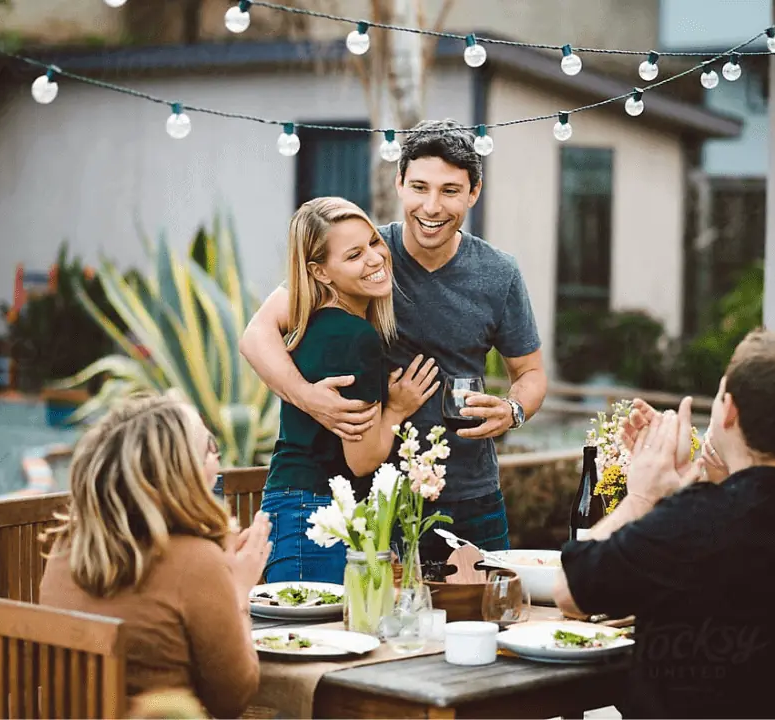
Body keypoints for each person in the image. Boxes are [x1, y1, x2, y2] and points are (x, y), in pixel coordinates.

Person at [241, 120, 547, 562]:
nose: (432, 205)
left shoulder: (499, 273)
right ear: (399, 183)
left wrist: (513, 409)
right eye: (419, 187)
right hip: (377, 502)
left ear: (473, 194)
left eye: (450, 190)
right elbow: (257, 335)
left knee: (487, 618)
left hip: (471, 495)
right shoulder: (365, 255)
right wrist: (311, 399)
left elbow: (531, 372)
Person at [554, 330, 775, 718]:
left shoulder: (693, 520)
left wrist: (641, 496)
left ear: (729, 410)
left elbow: (570, 591)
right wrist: (686, 489)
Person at [39, 393, 268, 719]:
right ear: (181, 474)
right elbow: (233, 699)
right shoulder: (196, 563)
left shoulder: (67, 547)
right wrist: (238, 591)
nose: (216, 459)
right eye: (209, 448)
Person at [261, 197, 438, 583]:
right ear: (320, 272)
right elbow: (361, 459)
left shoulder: (314, 325)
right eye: (354, 254)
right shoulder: (355, 337)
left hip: (291, 504)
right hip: (315, 513)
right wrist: (397, 409)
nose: (375, 259)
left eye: (374, 243)